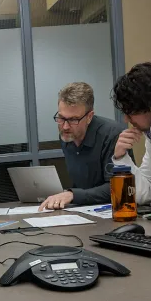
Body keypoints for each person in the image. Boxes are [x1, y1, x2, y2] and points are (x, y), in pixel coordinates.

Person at [40, 82, 129, 210]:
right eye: (61, 118)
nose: (65, 126)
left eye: (73, 120)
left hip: (113, 211)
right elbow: (81, 182)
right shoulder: (67, 134)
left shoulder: (113, 135)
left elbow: (117, 187)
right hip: (83, 209)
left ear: (89, 117)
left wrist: (73, 195)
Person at [112, 62, 151, 209]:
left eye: (130, 111)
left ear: (150, 105)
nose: (126, 119)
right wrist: (121, 158)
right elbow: (143, 193)